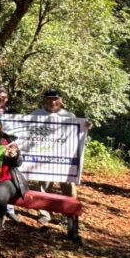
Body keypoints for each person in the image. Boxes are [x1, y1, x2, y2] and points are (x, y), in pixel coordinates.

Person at [29, 88, 89, 225]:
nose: (52, 101)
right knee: (44, 186)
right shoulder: (36, 114)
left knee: (68, 186)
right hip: (43, 159)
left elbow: (78, 136)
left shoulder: (70, 116)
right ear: (45, 100)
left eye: (55, 99)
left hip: (65, 160)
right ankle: (44, 213)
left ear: (61, 101)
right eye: (49, 99)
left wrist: (86, 127)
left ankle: (70, 214)